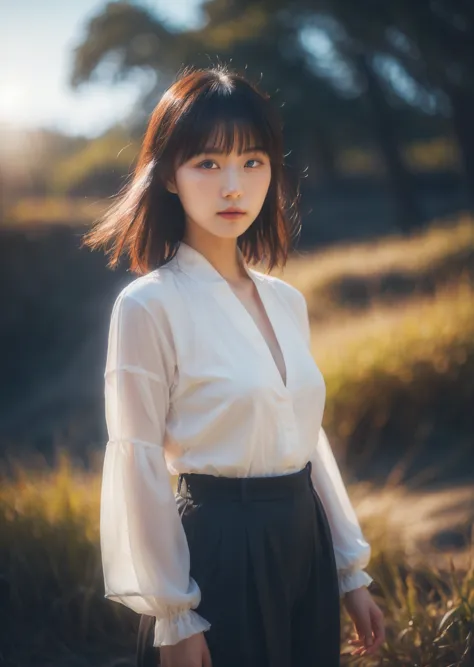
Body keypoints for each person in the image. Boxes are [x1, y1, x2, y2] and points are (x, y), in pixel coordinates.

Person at [83, 64, 385, 667]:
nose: (233, 187)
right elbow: (136, 459)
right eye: (207, 163)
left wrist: (351, 572)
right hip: (219, 549)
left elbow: (306, 441)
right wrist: (175, 617)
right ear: (168, 174)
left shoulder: (285, 300)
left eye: (253, 162)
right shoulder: (147, 305)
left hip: (305, 543)